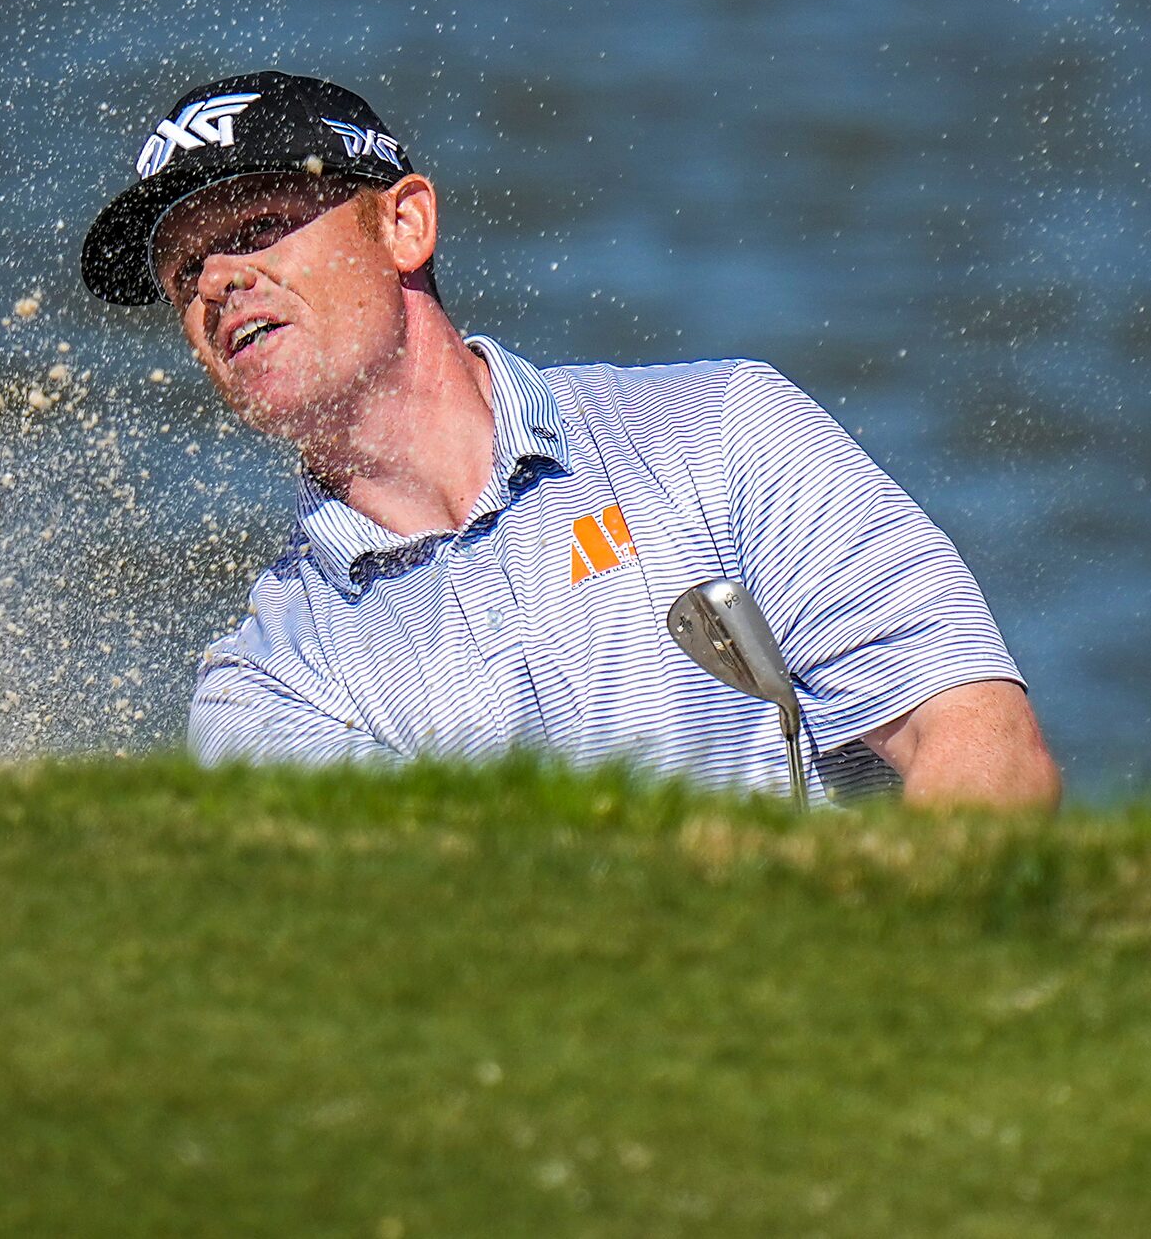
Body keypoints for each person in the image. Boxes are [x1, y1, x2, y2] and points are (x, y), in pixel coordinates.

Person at [78, 70, 1060, 808]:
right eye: (184, 270)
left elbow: (980, 746)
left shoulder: (721, 431)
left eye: (256, 226)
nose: (215, 284)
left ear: (405, 225)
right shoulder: (270, 689)